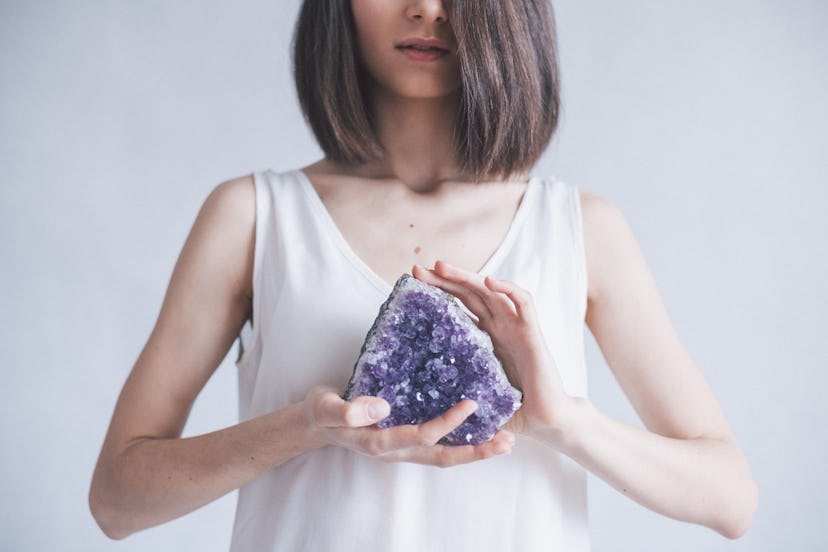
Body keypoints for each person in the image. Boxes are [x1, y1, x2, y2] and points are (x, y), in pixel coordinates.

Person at [89, 0, 758, 550]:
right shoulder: (252, 215)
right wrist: (305, 427)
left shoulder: (581, 226)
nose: (427, 10)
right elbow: (117, 501)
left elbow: (730, 499)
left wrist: (566, 423)